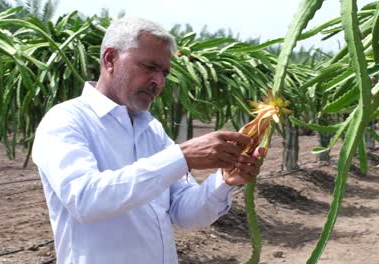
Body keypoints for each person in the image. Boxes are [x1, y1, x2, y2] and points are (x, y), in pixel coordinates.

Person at [32, 17, 263, 264]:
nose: (158, 81)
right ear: (110, 59)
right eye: (149, 67)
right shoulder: (66, 120)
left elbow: (185, 214)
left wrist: (224, 181)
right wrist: (182, 156)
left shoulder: (151, 130)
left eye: (164, 72)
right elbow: (85, 200)